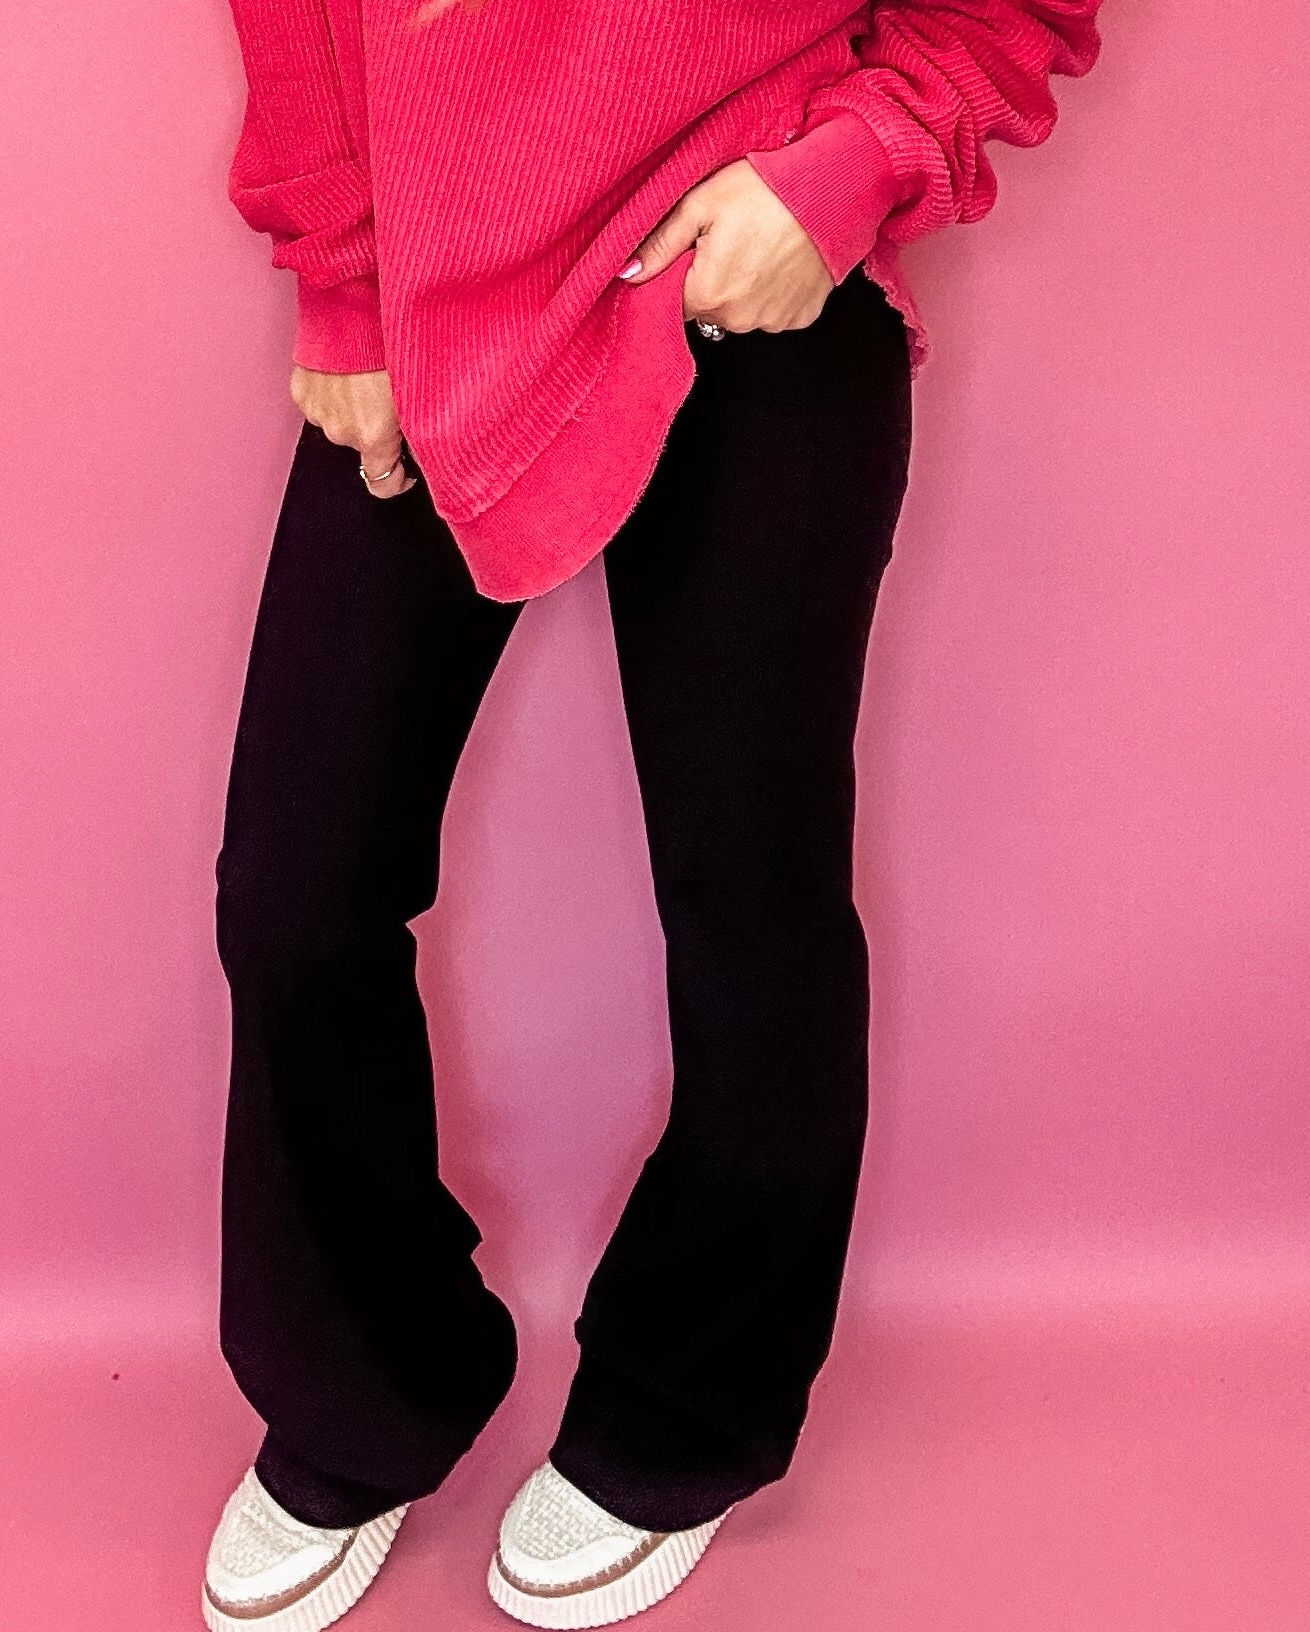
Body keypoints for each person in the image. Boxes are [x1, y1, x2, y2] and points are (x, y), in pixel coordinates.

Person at [201, 2, 1104, 1628]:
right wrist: (342, 281)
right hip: (439, 286)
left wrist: (853, 167)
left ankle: (691, 1403)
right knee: (295, 885)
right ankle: (368, 1380)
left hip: (749, 243)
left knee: (753, 895)